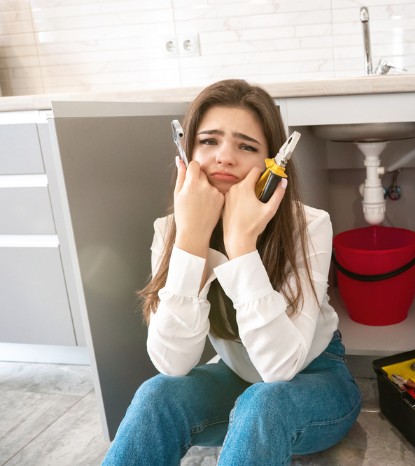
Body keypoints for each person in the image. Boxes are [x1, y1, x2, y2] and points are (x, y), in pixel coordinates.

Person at [102, 79, 362, 465]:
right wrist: (191, 239)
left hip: (314, 381)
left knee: (263, 401)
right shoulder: (168, 230)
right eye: (209, 141)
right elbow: (172, 364)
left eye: (246, 146)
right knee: (157, 393)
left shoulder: (309, 225)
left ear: (273, 161)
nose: (224, 157)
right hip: (236, 377)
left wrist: (241, 244)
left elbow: (279, 368)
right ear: (184, 153)